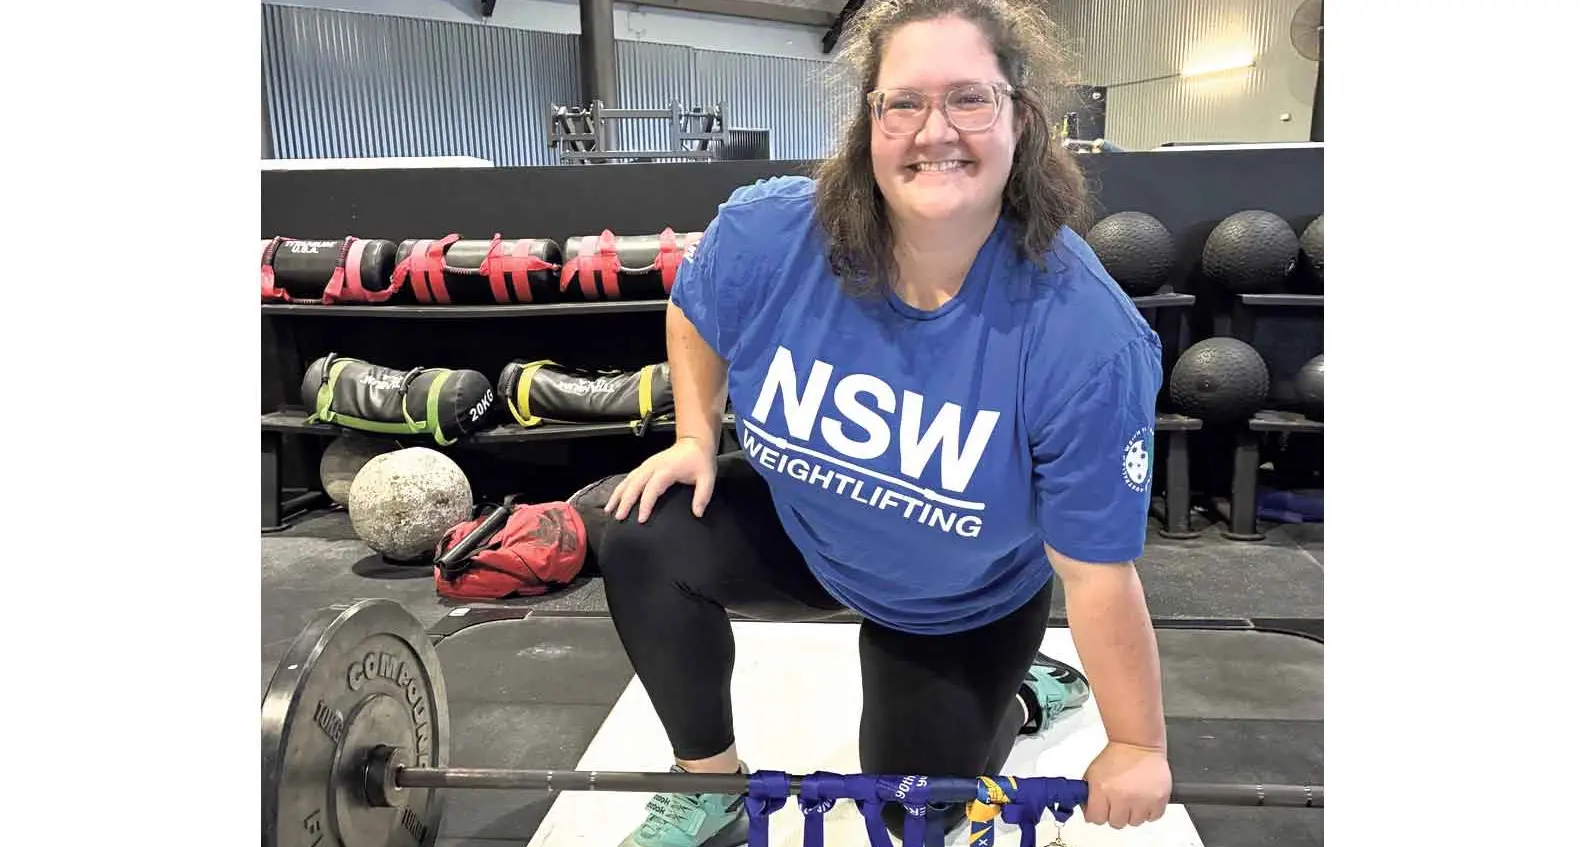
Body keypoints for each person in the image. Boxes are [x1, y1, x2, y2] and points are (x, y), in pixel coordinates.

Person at [596, 0, 1171, 843]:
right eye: (902, 103)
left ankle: (1012, 695)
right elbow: (694, 306)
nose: (933, 129)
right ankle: (710, 786)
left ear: (1022, 117)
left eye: (969, 99)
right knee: (641, 532)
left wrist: (1136, 741)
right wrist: (693, 434)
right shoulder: (773, 232)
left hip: (956, 603)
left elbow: (1097, 576)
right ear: (869, 123)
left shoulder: (1084, 338)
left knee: (908, 814)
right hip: (812, 533)